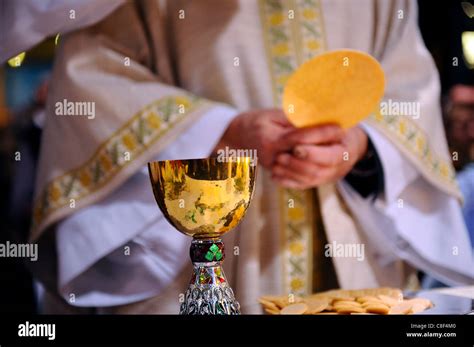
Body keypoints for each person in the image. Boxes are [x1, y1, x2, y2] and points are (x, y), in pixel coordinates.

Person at [5, 0, 473, 313]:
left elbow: (408, 81)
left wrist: (362, 147)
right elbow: (94, 75)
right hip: (191, 267)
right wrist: (216, 133)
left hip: (353, 246)